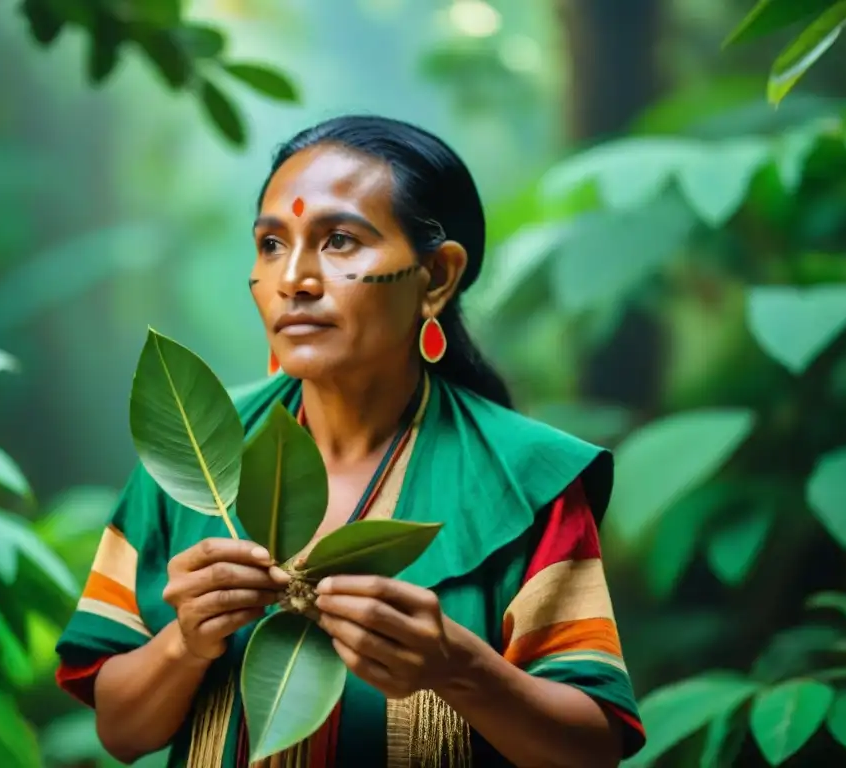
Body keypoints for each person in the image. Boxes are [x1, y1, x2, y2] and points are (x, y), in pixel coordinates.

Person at [55, 115, 646, 768]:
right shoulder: (196, 450)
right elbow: (122, 731)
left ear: (437, 277)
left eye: (338, 241)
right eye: (272, 244)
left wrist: (459, 668)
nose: (294, 279)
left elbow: (593, 750)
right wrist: (183, 644)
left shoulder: (529, 478)